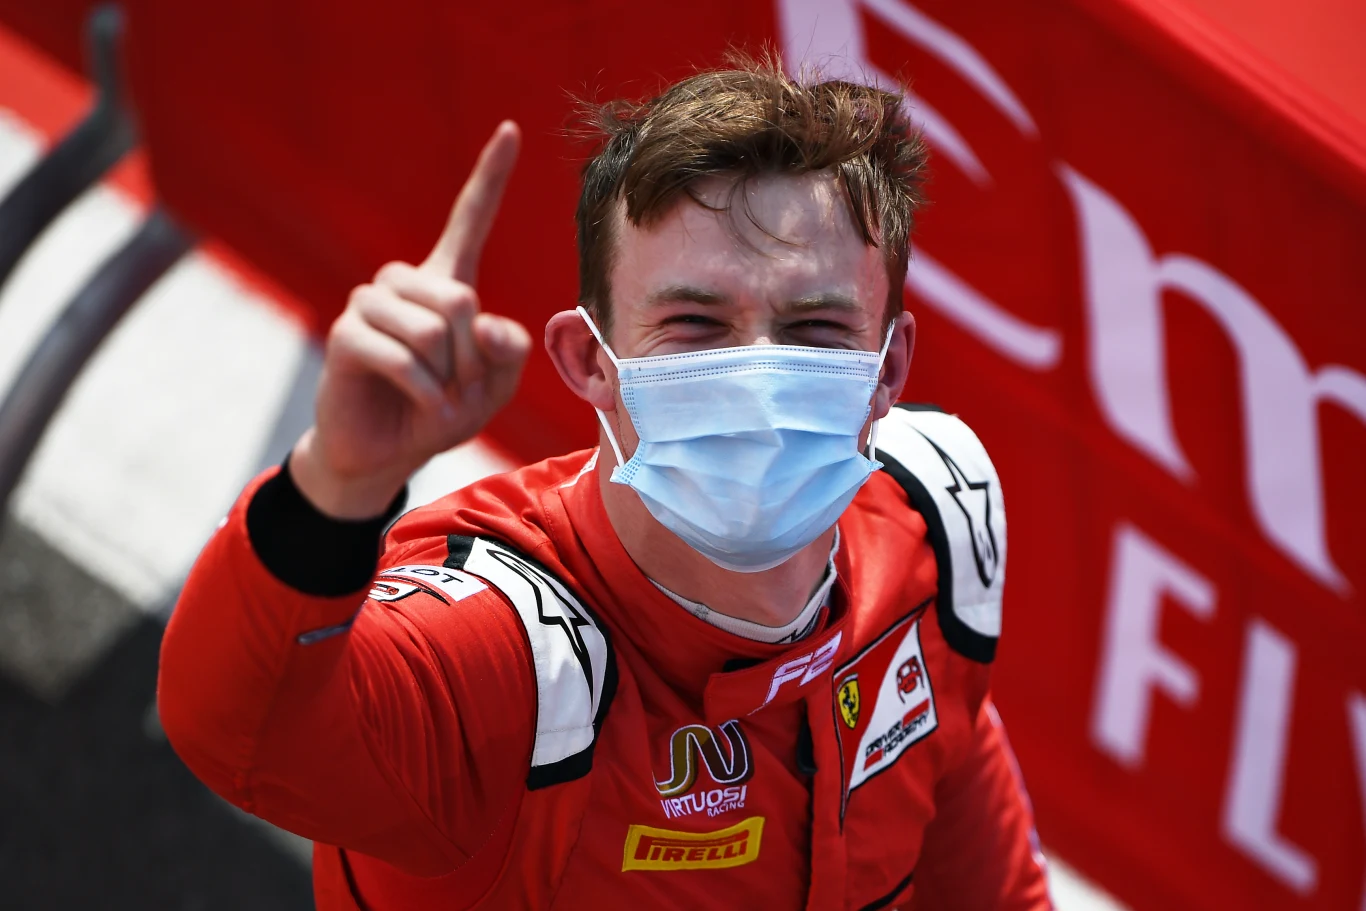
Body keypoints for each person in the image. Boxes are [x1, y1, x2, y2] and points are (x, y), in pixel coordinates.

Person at [159, 56, 1053, 910]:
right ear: (590, 360)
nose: (759, 378)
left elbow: (985, 874)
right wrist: (337, 483)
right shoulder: (514, 655)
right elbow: (239, 731)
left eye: (815, 327)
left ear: (889, 366)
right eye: (695, 322)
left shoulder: (937, 514)